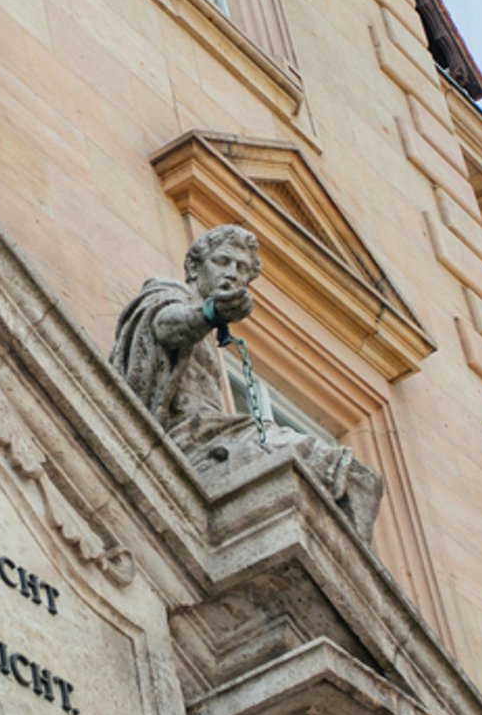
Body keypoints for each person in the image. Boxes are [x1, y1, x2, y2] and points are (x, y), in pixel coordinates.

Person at [110, 225, 384, 540]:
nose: (231, 273)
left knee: (360, 479)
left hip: (222, 435)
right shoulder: (169, 293)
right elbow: (165, 326)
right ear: (195, 267)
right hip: (192, 438)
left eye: (241, 268)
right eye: (222, 261)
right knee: (326, 464)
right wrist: (209, 314)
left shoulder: (211, 332)